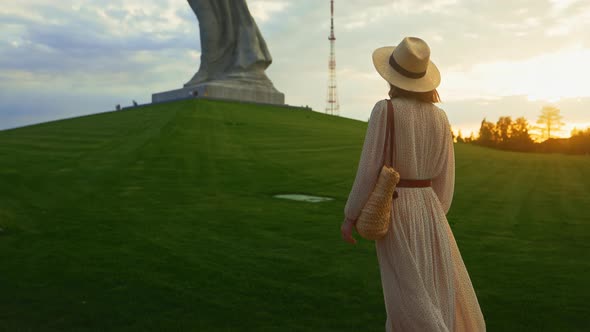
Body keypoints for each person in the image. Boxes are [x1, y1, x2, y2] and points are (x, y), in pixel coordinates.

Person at [340, 37, 486, 331]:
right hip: (431, 209)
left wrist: (350, 215)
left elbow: (369, 169)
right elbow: (446, 178)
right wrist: (433, 211)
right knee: (433, 288)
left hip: (396, 208)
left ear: (392, 76)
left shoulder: (386, 110)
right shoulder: (440, 118)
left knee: (404, 293)